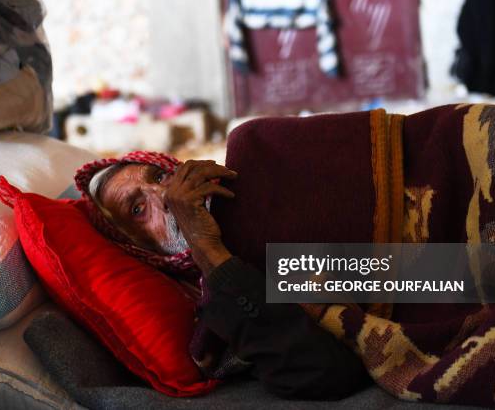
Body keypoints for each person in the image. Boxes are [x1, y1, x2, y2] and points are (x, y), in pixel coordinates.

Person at [76, 154, 371, 400]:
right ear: (137, 250)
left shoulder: (257, 193)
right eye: (138, 209)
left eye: (159, 177)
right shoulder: (212, 326)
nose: (165, 195)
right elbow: (324, 372)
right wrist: (207, 249)